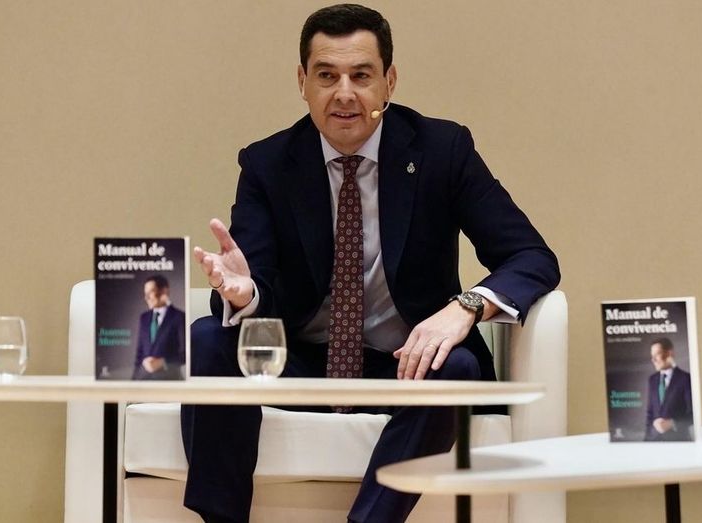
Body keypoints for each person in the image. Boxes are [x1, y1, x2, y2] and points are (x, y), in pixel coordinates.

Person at [181, 4, 560, 522]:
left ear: (389, 82)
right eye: (326, 76)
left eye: (361, 76)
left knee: (457, 367)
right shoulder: (269, 163)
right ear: (302, 82)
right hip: (302, 365)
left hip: (406, 363)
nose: (344, 93)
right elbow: (255, 281)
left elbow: (531, 255)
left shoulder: (442, 150)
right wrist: (246, 295)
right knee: (207, 338)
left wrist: (466, 307)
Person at [132, 275, 186, 380]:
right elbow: (139, 355)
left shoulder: (179, 317)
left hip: (169, 381)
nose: (146, 297)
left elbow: (185, 354)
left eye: (150, 292)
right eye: (145, 293)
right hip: (144, 381)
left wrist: (163, 362)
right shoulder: (144, 318)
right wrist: (133, 383)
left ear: (164, 291)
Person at [644, 337, 694, 441]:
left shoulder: (686, 379)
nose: (653, 360)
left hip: (679, 441)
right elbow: (650, 413)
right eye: (652, 356)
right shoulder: (652, 380)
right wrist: (647, 440)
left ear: (669, 353)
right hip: (654, 442)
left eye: (657, 354)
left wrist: (672, 423)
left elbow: (693, 414)